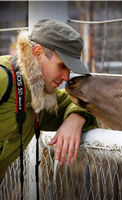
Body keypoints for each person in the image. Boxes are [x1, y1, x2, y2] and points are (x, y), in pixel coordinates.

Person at [0, 18, 98, 182]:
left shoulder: (44, 95)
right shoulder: (3, 79)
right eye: (62, 66)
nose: (66, 77)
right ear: (37, 53)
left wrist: (75, 119)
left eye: (69, 69)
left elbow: (86, 102)